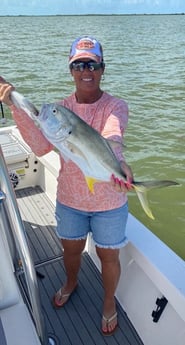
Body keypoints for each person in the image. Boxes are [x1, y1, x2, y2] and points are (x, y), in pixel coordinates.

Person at [0, 35, 133, 336]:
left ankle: (109, 301)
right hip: (71, 200)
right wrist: (14, 105)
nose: (86, 70)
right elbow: (41, 147)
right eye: (79, 64)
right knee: (70, 252)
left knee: (108, 256)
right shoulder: (59, 109)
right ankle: (71, 282)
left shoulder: (115, 106)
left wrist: (120, 165)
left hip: (109, 202)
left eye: (93, 64)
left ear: (102, 68)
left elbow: (113, 137)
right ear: (71, 70)